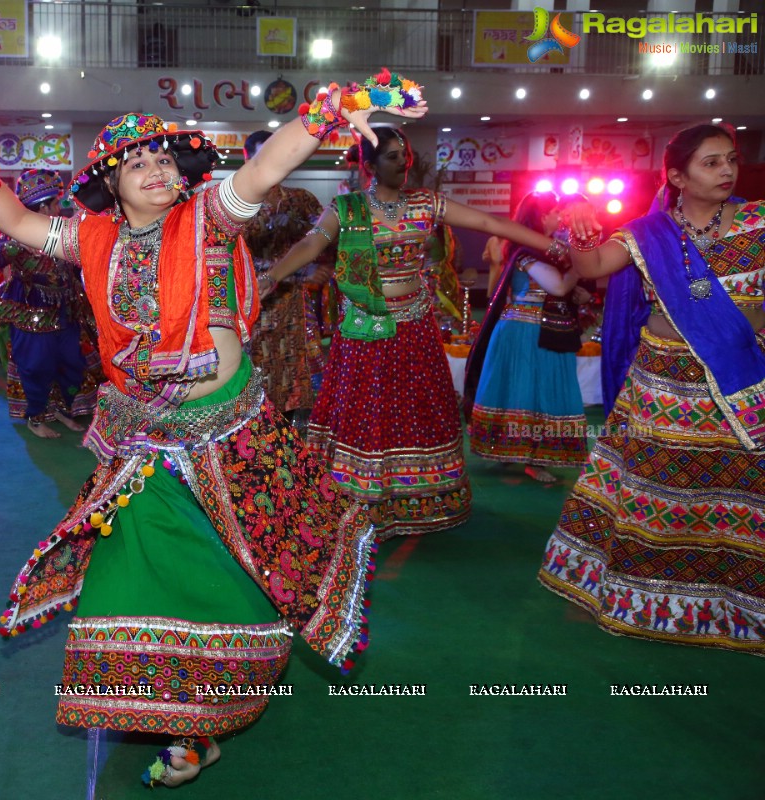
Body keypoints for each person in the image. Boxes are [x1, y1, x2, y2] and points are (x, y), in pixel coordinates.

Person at [0, 74, 427, 786]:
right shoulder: (93, 239)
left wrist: (325, 114)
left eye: (163, 158)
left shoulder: (211, 215)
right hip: (144, 436)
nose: (155, 169)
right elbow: (22, 225)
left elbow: (266, 166)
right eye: (136, 163)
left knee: (248, 565)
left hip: (230, 431)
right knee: (138, 568)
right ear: (110, 185)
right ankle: (183, 725)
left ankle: (222, 696)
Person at [269, 128, 568, 539]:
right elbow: (312, 243)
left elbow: (486, 220)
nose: (404, 163)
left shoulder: (425, 203)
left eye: (406, 155)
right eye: (393, 157)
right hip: (366, 329)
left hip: (414, 327)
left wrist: (551, 247)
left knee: (415, 410)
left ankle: (421, 500)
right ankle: (363, 504)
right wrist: (272, 275)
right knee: (368, 413)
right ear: (370, 166)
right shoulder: (348, 208)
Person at [537, 123, 765, 655]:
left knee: (734, 489)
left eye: (730, 159)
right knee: (660, 489)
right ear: (678, 176)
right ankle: (647, 596)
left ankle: (729, 601)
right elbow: (592, 267)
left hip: (737, 379)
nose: (727, 170)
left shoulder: (758, 222)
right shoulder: (648, 234)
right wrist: (580, 228)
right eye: (711, 163)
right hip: (663, 384)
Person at [464, 191, 588, 482]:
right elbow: (557, 287)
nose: (560, 218)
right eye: (556, 212)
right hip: (524, 332)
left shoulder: (546, 250)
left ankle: (525, 453)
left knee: (533, 391)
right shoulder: (525, 252)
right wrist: (582, 266)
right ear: (542, 216)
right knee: (530, 393)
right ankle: (534, 458)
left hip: (539, 330)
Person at [0, 170, 96, 437]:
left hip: (65, 310)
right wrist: (14, 241)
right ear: (44, 206)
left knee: (74, 364)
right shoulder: (18, 231)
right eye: (56, 203)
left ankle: (61, 408)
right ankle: (36, 417)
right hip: (30, 312)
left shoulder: (63, 227)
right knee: (36, 366)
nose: (61, 207)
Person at [240, 130, 330, 427]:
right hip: (251, 302)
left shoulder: (301, 201)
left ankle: (295, 438)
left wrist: (314, 271)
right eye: (262, 153)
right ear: (248, 158)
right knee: (251, 371)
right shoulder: (235, 204)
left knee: (297, 372)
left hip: (295, 303)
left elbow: (326, 239)